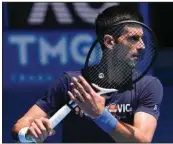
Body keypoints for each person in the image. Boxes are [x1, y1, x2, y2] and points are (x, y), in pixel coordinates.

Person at [12, 5, 163, 143]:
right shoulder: (71, 83)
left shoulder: (147, 86)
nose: (142, 46)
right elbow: (20, 126)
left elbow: (142, 140)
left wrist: (100, 115)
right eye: (133, 39)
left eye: (142, 38)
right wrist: (28, 134)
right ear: (109, 42)